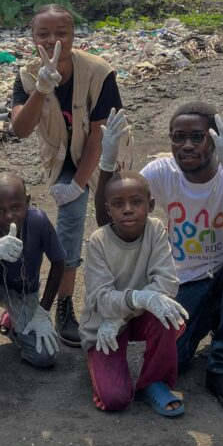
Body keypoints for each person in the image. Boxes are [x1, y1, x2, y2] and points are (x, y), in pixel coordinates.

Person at [97, 104, 223, 411]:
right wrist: (107, 164)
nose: (187, 145)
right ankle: (207, 329)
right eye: (178, 137)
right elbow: (109, 223)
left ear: (214, 140)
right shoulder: (162, 173)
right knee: (178, 357)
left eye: (198, 136)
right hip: (185, 283)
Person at [10, 4, 129, 348]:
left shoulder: (98, 71)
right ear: (32, 38)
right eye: (43, 34)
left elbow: (98, 133)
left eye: (61, 32)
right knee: (72, 220)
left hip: (103, 150)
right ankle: (64, 303)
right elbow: (20, 129)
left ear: (74, 36)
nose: (52, 40)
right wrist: (41, 91)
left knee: (119, 219)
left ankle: (121, 296)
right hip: (61, 152)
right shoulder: (27, 74)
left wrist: (79, 184)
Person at [82, 171, 187, 416]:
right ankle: (97, 361)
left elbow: (167, 282)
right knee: (115, 399)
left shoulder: (156, 229)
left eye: (136, 202)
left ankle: (153, 381)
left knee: (167, 314)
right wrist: (136, 299)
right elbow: (99, 298)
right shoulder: (98, 241)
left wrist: (131, 309)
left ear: (150, 205)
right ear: (108, 210)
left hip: (137, 316)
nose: (127, 209)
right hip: (104, 327)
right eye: (118, 204)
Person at [0, 173, 66, 404]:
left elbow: (59, 262)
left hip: (24, 292)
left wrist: (43, 311)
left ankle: (16, 320)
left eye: (16, 207)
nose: (9, 216)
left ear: (27, 202)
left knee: (45, 357)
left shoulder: (38, 221)